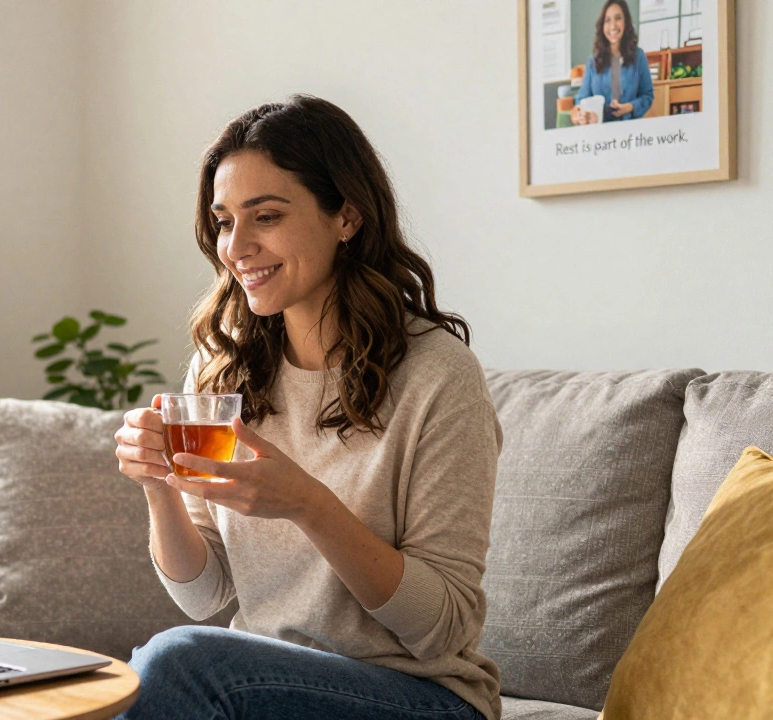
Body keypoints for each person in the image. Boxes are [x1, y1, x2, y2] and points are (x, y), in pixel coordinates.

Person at [113, 95, 501, 720]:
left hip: (424, 698)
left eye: (265, 216)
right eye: (223, 221)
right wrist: (158, 486)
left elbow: (442, 629)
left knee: (179, 664)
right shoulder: (224, 371)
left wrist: (310, 506)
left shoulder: (438, 376)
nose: (236, 247)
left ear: (346, 215)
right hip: (265, 687)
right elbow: (203, 593)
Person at [571, 0, 654, 124]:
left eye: (618, 18)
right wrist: (579, 113)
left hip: (631, 128)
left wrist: (630, 107)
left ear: (626, 23)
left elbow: (647, 96)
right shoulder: (592, 62)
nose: (613, 25)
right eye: (607, 20)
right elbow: (582, 99)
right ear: (602, 25)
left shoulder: (639, 57)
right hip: (600, 132)